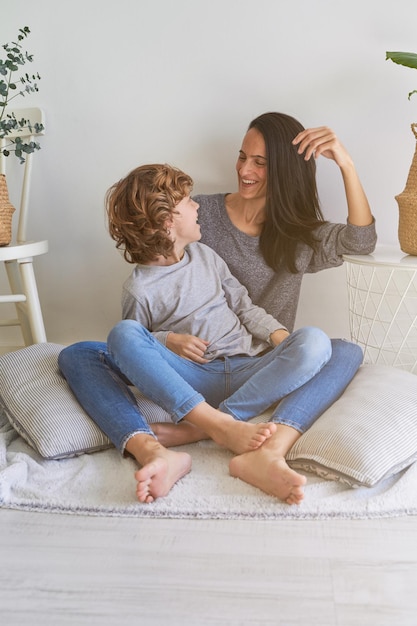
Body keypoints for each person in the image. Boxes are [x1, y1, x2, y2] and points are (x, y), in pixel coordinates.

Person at [59, 112, 374, 502]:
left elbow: (360, 244)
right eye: (243, 156)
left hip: (255, 366)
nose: (244, 169)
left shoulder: (297, 235)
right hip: (190, 372)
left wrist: (346, 162)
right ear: (168, 221)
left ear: (286, 171)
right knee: (81, 353)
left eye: (260, 162)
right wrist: (168, 340)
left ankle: (215, 433)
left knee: (341, 350)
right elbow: (136, 336)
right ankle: (183, 439)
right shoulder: (199, 218)